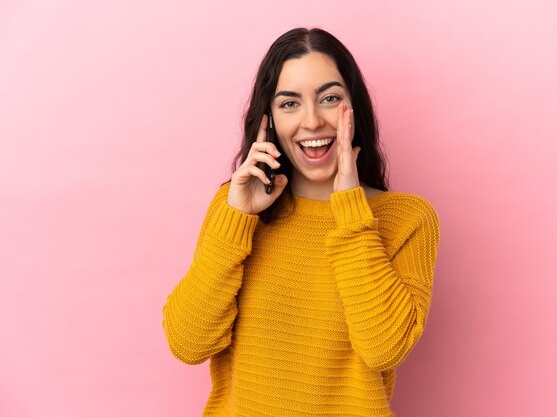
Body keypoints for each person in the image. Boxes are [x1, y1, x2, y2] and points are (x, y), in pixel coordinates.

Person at [162, 27, 440, 416]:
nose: (311, 121)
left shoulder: (407, 219)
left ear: (353, 107)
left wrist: (349, 205)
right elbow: (188, 343)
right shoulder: (234, 208)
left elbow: (384, 349)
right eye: (289, 103)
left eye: (329, 98)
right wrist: (238, 217)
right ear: (269, 119)